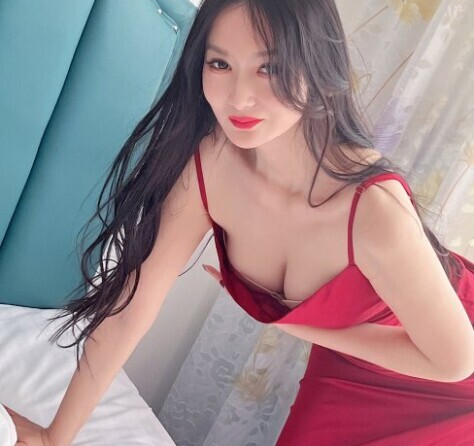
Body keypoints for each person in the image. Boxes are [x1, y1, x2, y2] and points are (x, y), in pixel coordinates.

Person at [5, 0, 474, 444]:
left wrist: (298, 327)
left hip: (449, 370)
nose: (239, 97)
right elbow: (132, 308)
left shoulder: (375, 212)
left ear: (318, 65)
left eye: (269, 68)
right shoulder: (212, 163)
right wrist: (55, 436)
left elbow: (455, 362)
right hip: (348, 364)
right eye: (220, 64)